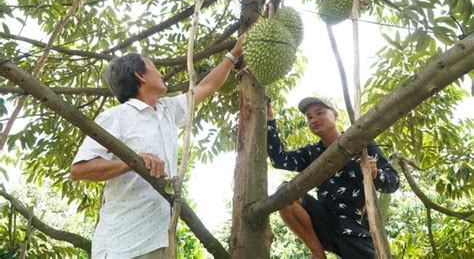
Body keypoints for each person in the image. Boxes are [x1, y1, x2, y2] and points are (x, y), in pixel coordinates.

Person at [70, 37, 244, 259]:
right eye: (154, 68)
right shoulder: (116, 117)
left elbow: (207, 86)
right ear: (140, 76)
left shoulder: (167, 110)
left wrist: (234, 53)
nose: (161, 73)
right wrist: (132, 162)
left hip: (162, 238)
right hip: (122, 245)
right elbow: (79, 170)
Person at [267, 96, 400, 259]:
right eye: (309, 117)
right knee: (283, 195)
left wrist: (376, 174)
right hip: (324, 221)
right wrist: (269, 121)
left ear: (335, 115)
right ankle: (317, 252)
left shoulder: (361, 142)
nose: (314, 119)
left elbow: (394, 182)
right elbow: (280, 160)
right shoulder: (311, 152)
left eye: (319, 113)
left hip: (356, 229)